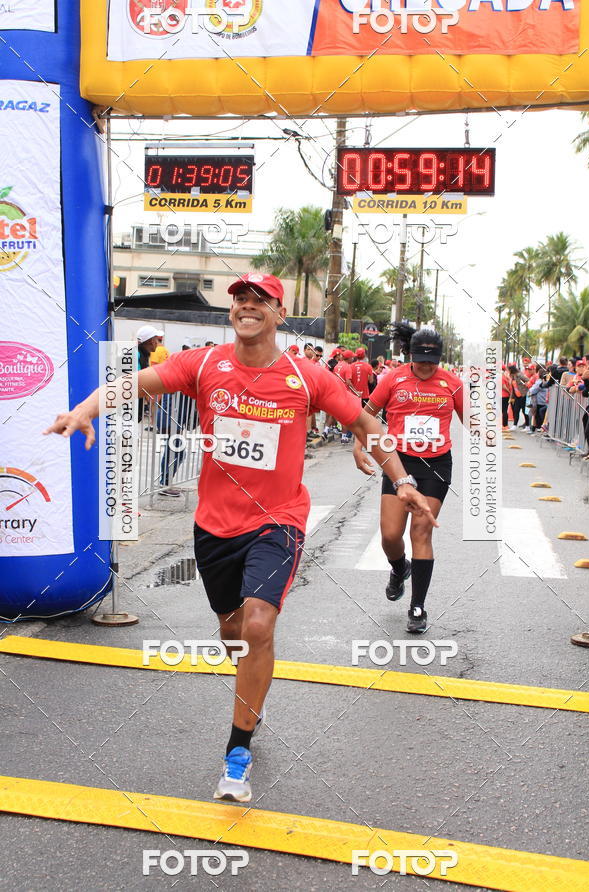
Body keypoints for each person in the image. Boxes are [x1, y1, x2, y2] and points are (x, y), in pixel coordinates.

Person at [44, 272, 435, 803]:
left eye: (259, 301)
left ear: (279, 314)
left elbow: (367, 424)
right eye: (240, 300)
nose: (247, 307)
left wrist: (404, 480)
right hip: (213, 526)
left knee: (258, 622)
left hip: (278, 520)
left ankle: (237, 751)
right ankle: (252, 691)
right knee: (232, 630)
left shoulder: (309, 375)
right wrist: (82, 412)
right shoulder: (204, 364)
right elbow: (131, 385)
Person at [353, 323, 463, 634]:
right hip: (397, 462)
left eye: (433, 361)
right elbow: (368, 414)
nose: (426, 366)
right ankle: (399, 568)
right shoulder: (393, 378)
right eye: (420, 360)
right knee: (389, 535)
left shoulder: (452, 383)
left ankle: (418, 606)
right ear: (409, 355)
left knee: (421, 531)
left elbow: (474, 421)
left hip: (436, 465)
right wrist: (358, 446)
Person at [137, 325, 161, 424]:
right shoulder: (137, 354)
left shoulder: (143, 354)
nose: (157, 342)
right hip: (129, 405)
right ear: (151, 341)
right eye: (157, 339)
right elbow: (137, 379)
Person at [508, 364, 528, 429]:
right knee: (516, 410)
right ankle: (514, 425)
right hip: (517, 396)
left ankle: (527, 425)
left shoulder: (519, 375)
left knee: (524, 411)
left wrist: (525, 387)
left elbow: (528, 380)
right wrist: (511, 397)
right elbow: (513, 388)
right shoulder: (513, 377)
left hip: (523, 395)